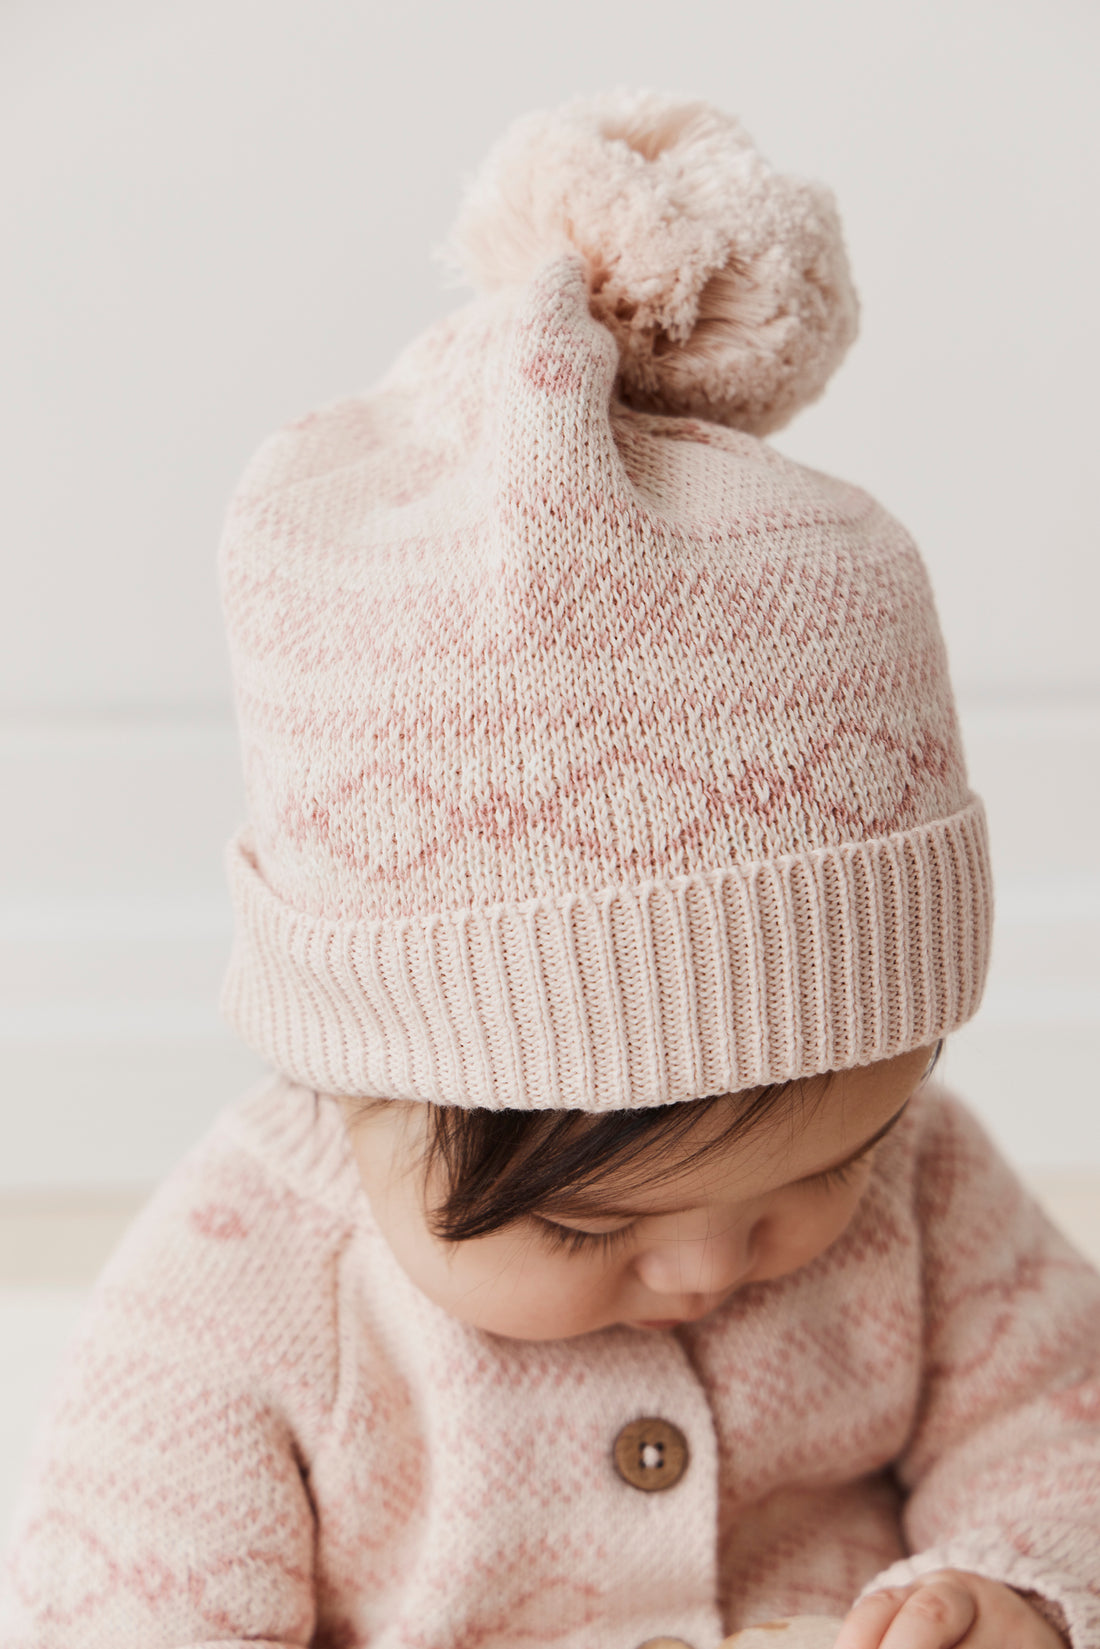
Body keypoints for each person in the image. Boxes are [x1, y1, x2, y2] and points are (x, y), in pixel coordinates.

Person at [2, 89, 1097, 1649]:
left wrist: (1017, 1583)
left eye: (815, 1172)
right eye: (585, 1226)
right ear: (362, 1075)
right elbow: (120, 1598)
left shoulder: (921, 1172)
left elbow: (1058, 1410)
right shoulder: (247, 1287)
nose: (713, 1265)